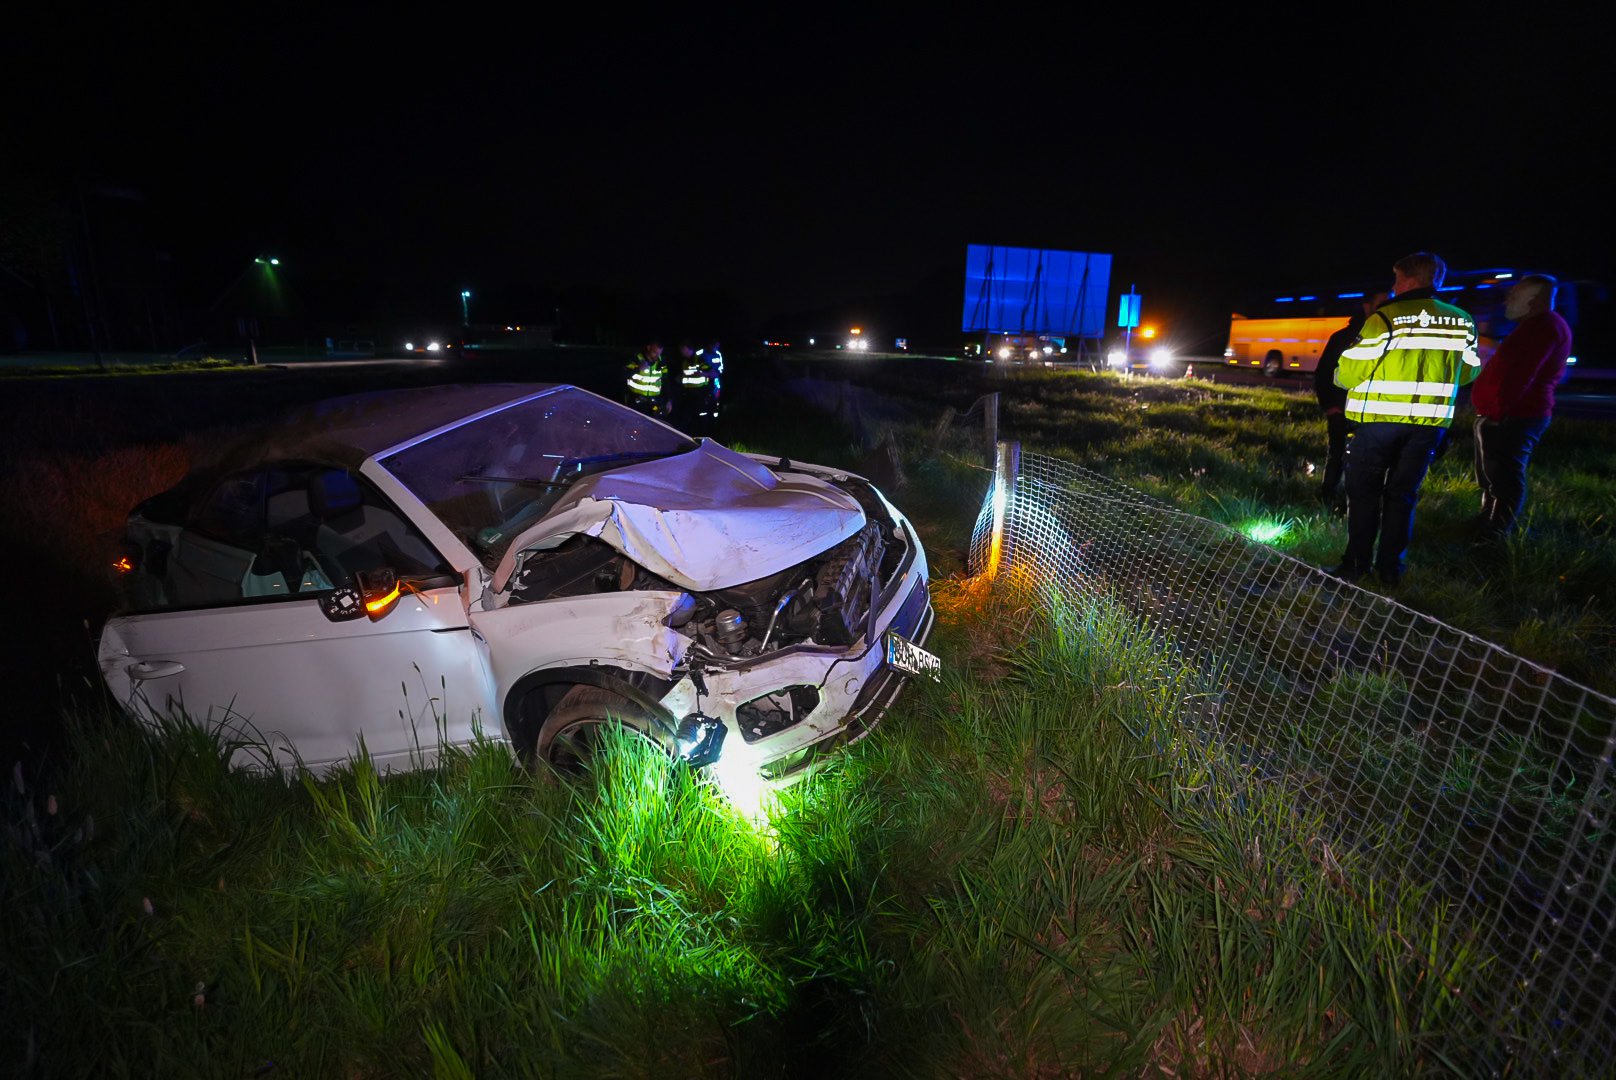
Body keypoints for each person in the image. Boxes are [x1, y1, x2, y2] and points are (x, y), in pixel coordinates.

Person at [1328, 252, 1481, 585]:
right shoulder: (1463, 321)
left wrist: (1339, 377)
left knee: (1365, 495)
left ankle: (1355, 566)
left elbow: (1351, 372)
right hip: (1429, 428)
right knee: (1403, 497)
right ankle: (1390, 571)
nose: (1394, 286)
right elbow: (1468, 372)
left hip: (1378, 424)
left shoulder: (1386, 318)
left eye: (1396, 278)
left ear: (1410, 280)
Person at [1469, 273, 1573, 537]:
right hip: (1506, 414)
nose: (1507, 300)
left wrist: (1497, 412)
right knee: (1494, 474)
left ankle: (1496, 531)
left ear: (1532, 299)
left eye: (1514, 295)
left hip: (1515, 416)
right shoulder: (1534, 327)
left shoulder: (1543, 328)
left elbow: (1520, 376)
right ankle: (1487, 521)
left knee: (1504, 475)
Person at [1314, 290, 1389, 507]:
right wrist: (1330, 406)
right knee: (1337, 455)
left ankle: (1356, 503)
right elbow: (1324, 373)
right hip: (1341, 410)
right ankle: (1327, 497)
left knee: (1370, 463)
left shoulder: (1390, 335)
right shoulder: (1343, 337)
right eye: (1382, 302)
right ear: (1367, 306)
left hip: (1373, 414)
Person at [624, 340, 668, 415]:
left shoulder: (661, 362)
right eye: (655, 352)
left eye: (659, 353)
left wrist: (669, 400)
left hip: (654, 402)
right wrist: (638, 369)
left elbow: (666, 381)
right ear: (648, 348)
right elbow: (623, 375)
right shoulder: (636, 359)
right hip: (635, 400)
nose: (657, 356)